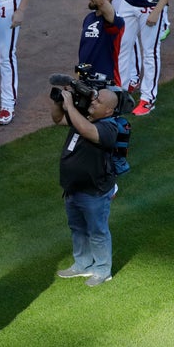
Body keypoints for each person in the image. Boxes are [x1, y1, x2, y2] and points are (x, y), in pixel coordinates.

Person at [51, 85, 120, 288]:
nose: (93, 102)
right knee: (77, 229)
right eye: (95, 98)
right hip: (73, 188)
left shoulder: (109, 127)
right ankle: (82, 264)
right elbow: (58, 119)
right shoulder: (84, 118)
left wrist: (71, 106)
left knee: (97, 231)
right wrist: (58, 102)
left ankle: (102, 270)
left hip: (94, 192)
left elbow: (85, 130)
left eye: (99, 102)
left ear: (108, 110)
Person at [71, 0, 124, 84]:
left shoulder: (115, 21)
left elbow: (101, 1)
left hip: (106, 82)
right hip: (85, 79)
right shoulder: (89, 18)